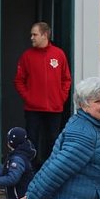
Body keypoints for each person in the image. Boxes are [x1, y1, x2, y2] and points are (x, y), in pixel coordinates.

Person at [14, 21, 72, 169]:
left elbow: (66, 79)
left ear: (45, 35)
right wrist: (29, 98)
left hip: (54, 108)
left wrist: (61, 98)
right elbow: (19, 81)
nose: (31, 38)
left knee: (53, 141)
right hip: (33, 109)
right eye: (31, 35)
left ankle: (51, 171)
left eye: (35, 34)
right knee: (32, 141)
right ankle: (31, 171)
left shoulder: (59, 54)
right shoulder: (27, 56)